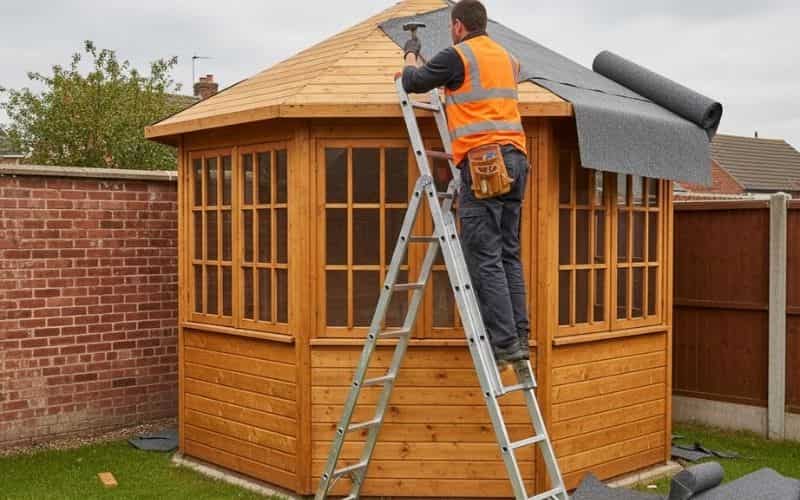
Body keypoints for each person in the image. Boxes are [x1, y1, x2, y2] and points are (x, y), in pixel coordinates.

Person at [401, 0, 531, 368]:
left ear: (458, 26)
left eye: (450, 28)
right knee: (508, 253)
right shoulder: (507, 59)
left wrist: (412, 55)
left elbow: (413, 82)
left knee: (485, 257)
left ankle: (505, 345)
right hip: (517, 160)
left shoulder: (458, 56)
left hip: (485, 164)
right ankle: (519, 337)